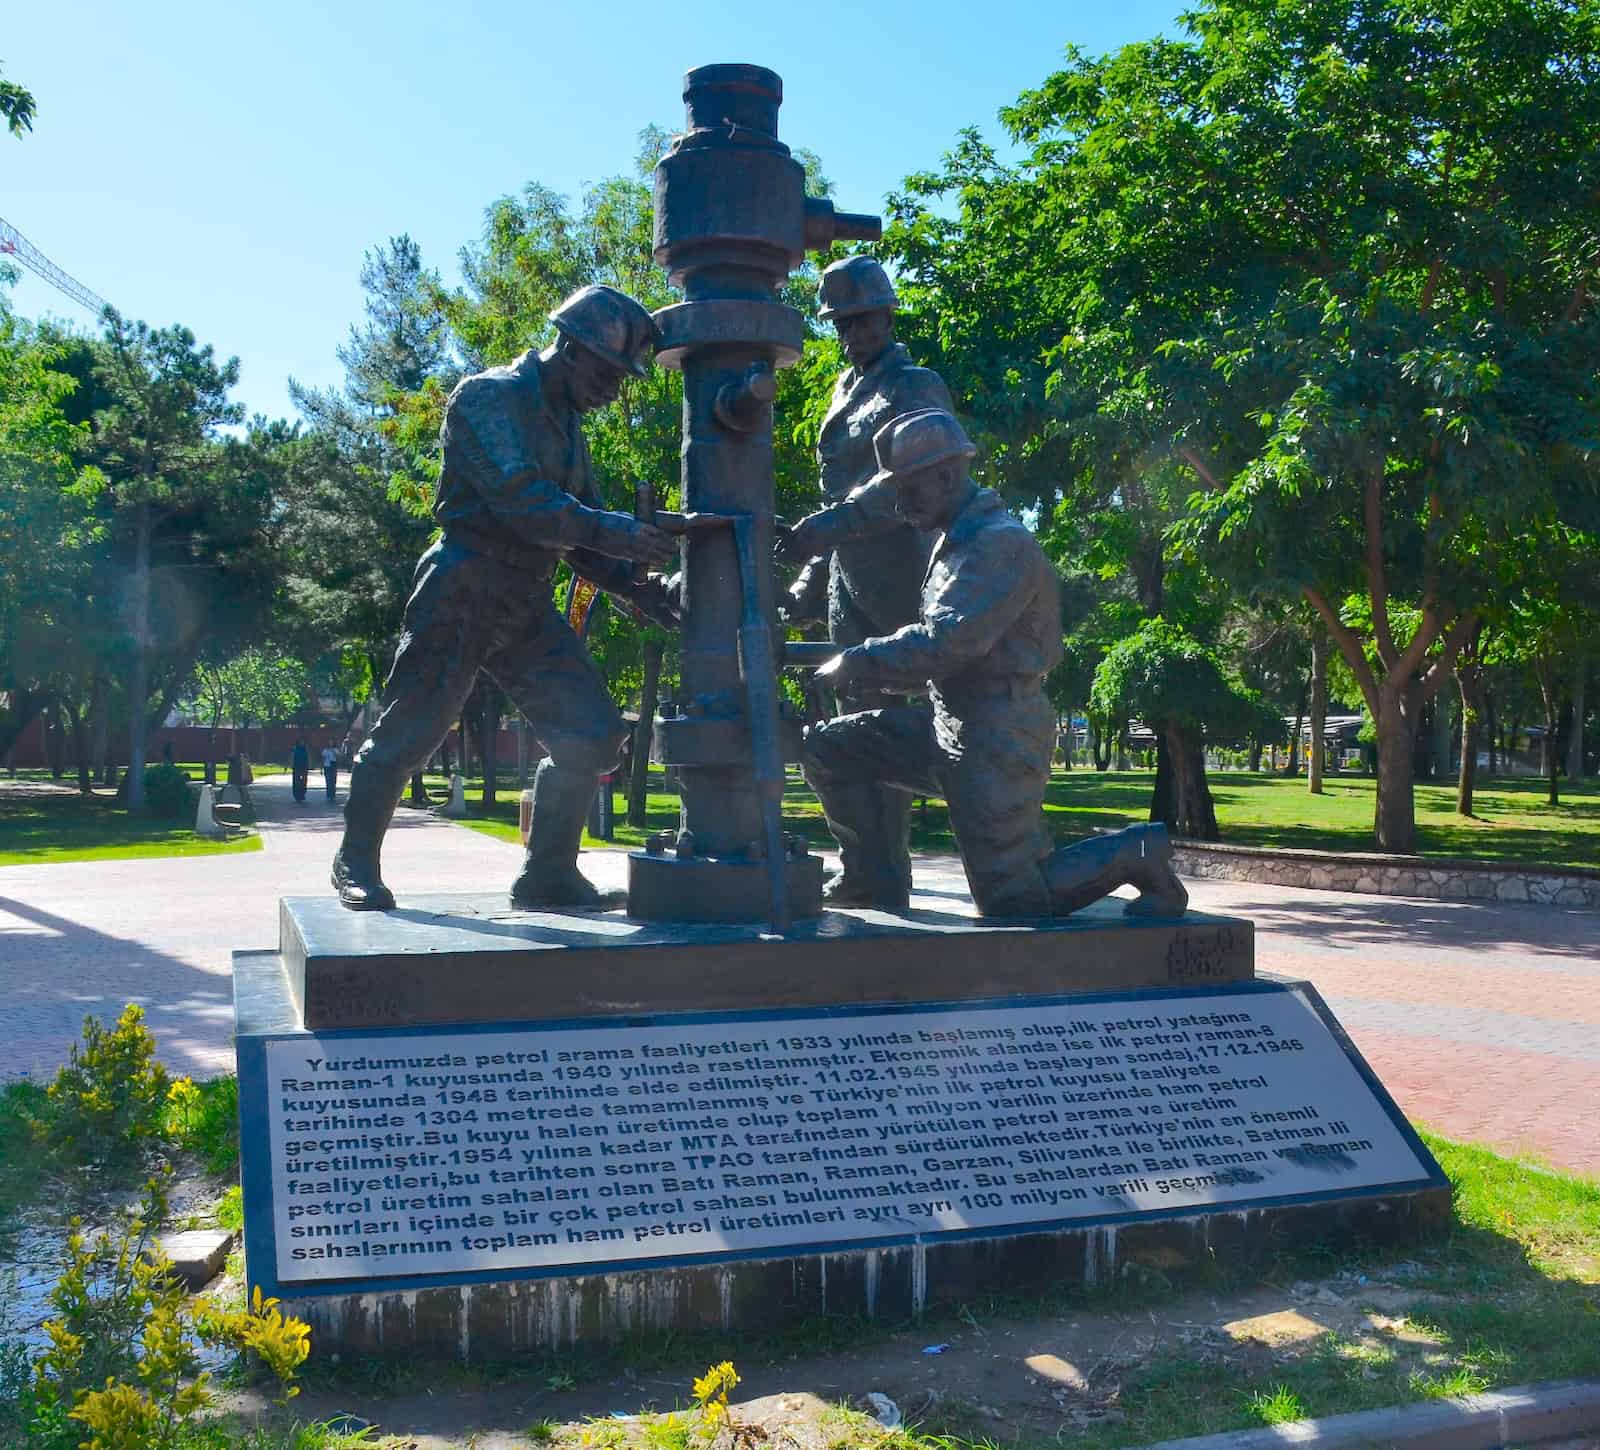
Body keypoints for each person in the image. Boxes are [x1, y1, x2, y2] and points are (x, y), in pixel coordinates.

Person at [331, 284, 681, 912]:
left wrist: (634, 588)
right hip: (463, 584)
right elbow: (525, 503)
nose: (614, 390)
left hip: (524, 597)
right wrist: (618, 535)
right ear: (571, 350)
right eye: (608, 373)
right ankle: (353, 861)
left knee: (592, 733)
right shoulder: (488, 397)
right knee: (413, 729)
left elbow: (580, 532)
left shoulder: (570, 426)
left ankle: (547, 872)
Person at [803, 409, 1188, 919]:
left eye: (908, 488)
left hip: (997, 733)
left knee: (1015, 901)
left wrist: (857, 662)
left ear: (946, 475)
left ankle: (1141, 853)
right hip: (948, 722)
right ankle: (870, 876)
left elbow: (948, 642)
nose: (898, 503)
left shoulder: (996, 543)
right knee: (829, 749)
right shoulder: (951, 540)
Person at [774, 256, 957, 909]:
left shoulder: (916, 384)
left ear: (887, 314)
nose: (855, 332)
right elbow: (834, 500)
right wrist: (805, 585)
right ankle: (867, 867)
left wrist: (819, 532)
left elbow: (901, 486)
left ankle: (890, 868)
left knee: (890, 726)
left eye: (865, 318)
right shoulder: (841, 390)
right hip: (847, 589)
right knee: (849, 729)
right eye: (842, 323)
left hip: (904, 583)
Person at [291, 738, 309, 803]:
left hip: (304, 767)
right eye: (301, 741)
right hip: (296, 767)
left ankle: (302, 794)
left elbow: (307, 758)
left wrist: (308, 766)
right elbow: (292, 757)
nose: (302, 743)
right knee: (296, 782)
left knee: (303, 782)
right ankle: (297, 795)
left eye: (303, 741)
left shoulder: (305, 749)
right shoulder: (295, 749)